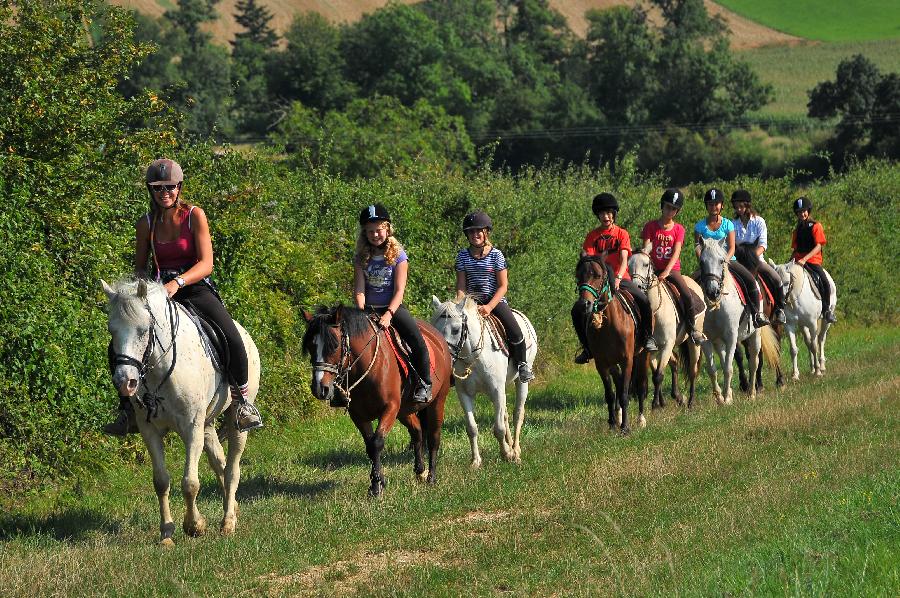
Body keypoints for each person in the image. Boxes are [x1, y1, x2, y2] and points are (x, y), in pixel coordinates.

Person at [103, 158, 263, 436]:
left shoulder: (194, 215)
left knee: (231, 336)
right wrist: (136, 296)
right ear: (150, 190)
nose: (164, 192)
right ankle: (127, 409)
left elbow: (206, 263)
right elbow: (140, 269)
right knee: (118, 345)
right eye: (157, 187)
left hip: (194, 288)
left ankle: (241, 403)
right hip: (156, 293)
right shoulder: (146, 224)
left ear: (179, 187)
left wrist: (178, 282)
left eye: (170, 187)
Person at [354, 204, 432, 403]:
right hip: (368, 309)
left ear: (387, 229)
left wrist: (388, 314)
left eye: (378, 230)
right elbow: (360, 289)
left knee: (417, 340)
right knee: (347, 342)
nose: (374, 234)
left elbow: (399, 291)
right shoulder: (361, 257)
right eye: (370, 231)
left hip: (392, 308)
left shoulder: (399, 256)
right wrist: (361, 311)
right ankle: (344, 389)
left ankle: (424, 384)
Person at [573, 193, 658, 365]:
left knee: (643, 300)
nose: (606, 216)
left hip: (621, 277)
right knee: (576, 310)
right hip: (598, 281)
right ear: (598, 215)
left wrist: (618, 277)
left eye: (609, 213)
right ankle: (587, 347)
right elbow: (588, 260)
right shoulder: (592, 236)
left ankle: (647, 337)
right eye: (602, 213)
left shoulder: (621, 234)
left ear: (614, 214)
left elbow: (625, 258)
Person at [455, 210, 535, 382]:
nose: (475, 234)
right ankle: (453, 369)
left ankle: (522, 365)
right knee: (452, 329)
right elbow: (461, 285)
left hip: (494, 300)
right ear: (467, 235)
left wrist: (490, 307)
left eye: (478, 231)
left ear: (486, 232)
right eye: (471, 231)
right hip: (471, 301)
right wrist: (460, 304)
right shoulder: (462, 256)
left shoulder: (496, 255)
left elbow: (503, 285)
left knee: (515, 331)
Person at [694, 188, 769, 328]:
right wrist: (702, 260)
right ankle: (692, 321)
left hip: (729, 261)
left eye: (716, 204)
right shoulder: (699, 226)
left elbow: (732, 247)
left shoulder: (728, 224)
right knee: (691, 283)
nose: (713, 207)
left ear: (721, 205)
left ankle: (757, 314)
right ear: (706, 206)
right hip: (709, 264)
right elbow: (697, 246)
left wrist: (726, 260)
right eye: (710, 204)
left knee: (751, 280)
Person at [640, 188, 706, 345]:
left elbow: (676, 252)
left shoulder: (679, 229)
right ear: (662, 205)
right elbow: (646, 251)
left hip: (672, 270)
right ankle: (640, 331)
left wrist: (667, 271)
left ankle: (692, 329)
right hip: (652, 270)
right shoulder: (650, 226)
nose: (670, 211)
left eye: (674, 209)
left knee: (687, 295)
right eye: (668, 206)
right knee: (639, 295)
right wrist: (652, 270)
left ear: (678, 211)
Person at [730, 189, 787, 323]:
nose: (738, 209)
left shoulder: (759, 222)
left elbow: (763, 245)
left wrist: (751, 257)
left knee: (777, 278)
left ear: (747, 205)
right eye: (736, 206)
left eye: (741, 206)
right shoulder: (733, 224)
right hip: (738, 262)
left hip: (756, 260)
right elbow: (732, 245)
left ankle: (780, 310)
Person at [790, 196, 837, 323]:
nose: (802, 214)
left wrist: (805, 259)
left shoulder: (816, 226)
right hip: (798, 261)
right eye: (799, 212)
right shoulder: (797, 230)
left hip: (813, 261)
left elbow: (818, 246)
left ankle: (827, 310)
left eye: (804, 211)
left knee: (825, 281)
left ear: (808, 211)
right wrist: (790, 262)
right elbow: (795, 249)